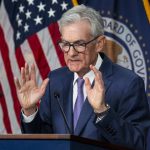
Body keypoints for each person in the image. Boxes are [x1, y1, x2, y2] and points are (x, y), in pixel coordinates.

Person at [14, 5, 150, 150]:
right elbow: (43, 141)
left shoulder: (128, 83)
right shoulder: (55, 80)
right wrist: (29, 111)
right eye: (65, 44)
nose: (71, 53)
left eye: (79, 44)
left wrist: (103, 112)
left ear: (99, 44)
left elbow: (139, 144)